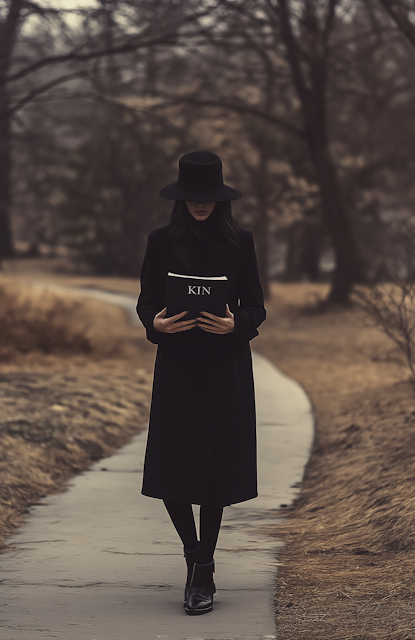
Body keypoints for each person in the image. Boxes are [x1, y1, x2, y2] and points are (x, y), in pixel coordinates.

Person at [136, 151, 266, 615]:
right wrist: (156, 323)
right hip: (177, 365)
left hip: (224, 366)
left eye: (208, 196)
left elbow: (255, 307)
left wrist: (236, 326)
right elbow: (146, 303)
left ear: (220, 198)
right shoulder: (160, 240)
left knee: (216, 468)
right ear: (181, 196)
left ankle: (204, 566)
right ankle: (194, 554)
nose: (200, 204)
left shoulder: (241, 241)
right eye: (193, 196)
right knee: (174, 463)